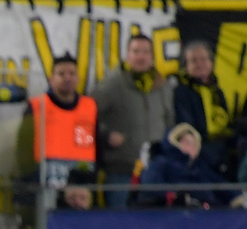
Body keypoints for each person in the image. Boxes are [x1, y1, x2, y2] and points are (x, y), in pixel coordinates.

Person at [92, 34, 173, 208]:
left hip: (154, 171)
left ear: (152, 56)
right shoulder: (111, 85)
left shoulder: (162, 87)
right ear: (127, 55)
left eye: (145, 52)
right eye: (136, 51)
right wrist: (105, 136)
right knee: (119, 225)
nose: (141, 56)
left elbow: (170, 123)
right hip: (121, 170)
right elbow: (86, 117)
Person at [17, 53, 98, 210]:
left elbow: (91, 146)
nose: (67, 78)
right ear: (51, 78)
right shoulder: (37, 106)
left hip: (80, 194)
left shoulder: (89, 107)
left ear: (78, 78)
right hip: (43, 189)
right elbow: (23, 150)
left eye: (72, 73)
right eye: (61, 74)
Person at [172, 40, 236, 178]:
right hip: (200, 153)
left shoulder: (217, 90)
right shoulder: (181, 92)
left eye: (203, 59)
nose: (200, 64)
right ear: (186, 65)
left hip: (222, 150)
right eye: (194, 60)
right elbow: (186, 126)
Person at [137, 123, 227, 208]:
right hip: (168, 212)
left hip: (202, 213)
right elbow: (151, 185)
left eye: (193, 144)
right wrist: (175, 195)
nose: (190, 147)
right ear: (175, 142)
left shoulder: (200, 166)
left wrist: (236, 198)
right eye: (186, 142)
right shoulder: (161, 162)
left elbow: (220, 185)